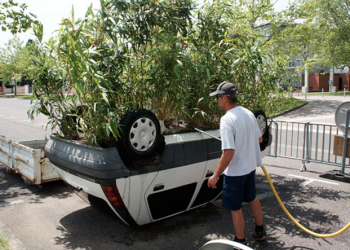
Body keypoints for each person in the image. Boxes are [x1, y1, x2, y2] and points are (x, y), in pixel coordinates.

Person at [207, 81, 268, 244]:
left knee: (235, 208)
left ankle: (240, 242)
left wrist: (215, 176)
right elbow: (260, 138)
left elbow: (228, 153)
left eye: (218, 97)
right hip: (249, 168)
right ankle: (260, 230)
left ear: (225, 98)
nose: (217, 100)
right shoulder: (248, 113)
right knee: (252, 197)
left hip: (235, 173)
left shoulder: (227, 120)